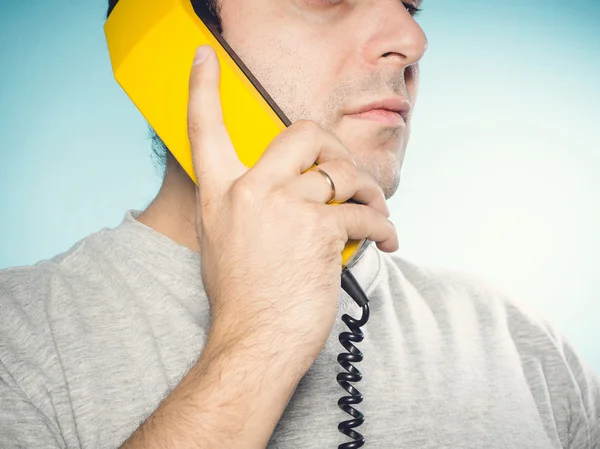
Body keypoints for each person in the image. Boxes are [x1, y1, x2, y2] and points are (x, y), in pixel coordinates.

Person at [1, 0, 598, 447]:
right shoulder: (16, 339)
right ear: (168, 41)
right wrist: (260, 338)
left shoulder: (526, 346)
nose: (412, 39)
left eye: (410, 5)